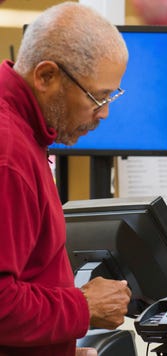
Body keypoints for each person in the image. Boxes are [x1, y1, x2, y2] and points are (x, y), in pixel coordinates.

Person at [0, 2, 132, 355]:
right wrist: (82, 307)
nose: (103, 113)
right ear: (45, 77)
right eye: (97, 97)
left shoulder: (24, 135)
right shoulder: (9, 155)